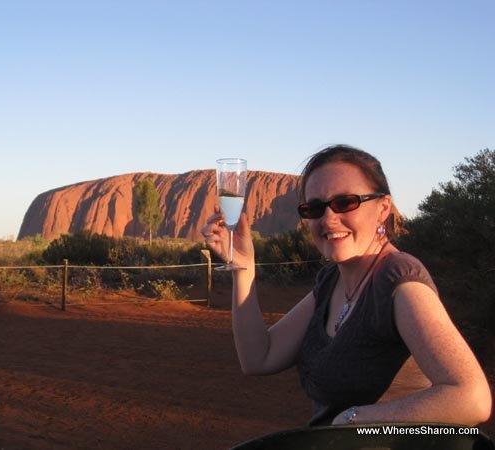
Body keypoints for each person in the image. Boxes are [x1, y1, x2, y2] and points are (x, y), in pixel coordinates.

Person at [200, 145, 492, 426]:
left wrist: (355, 420)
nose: (328, 218)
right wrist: (244, 268)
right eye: (314, 208)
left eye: (345, 203)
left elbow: (471, 397)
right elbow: (258, 358)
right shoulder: (332, 281)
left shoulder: (399, 279)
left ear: (383, 208)